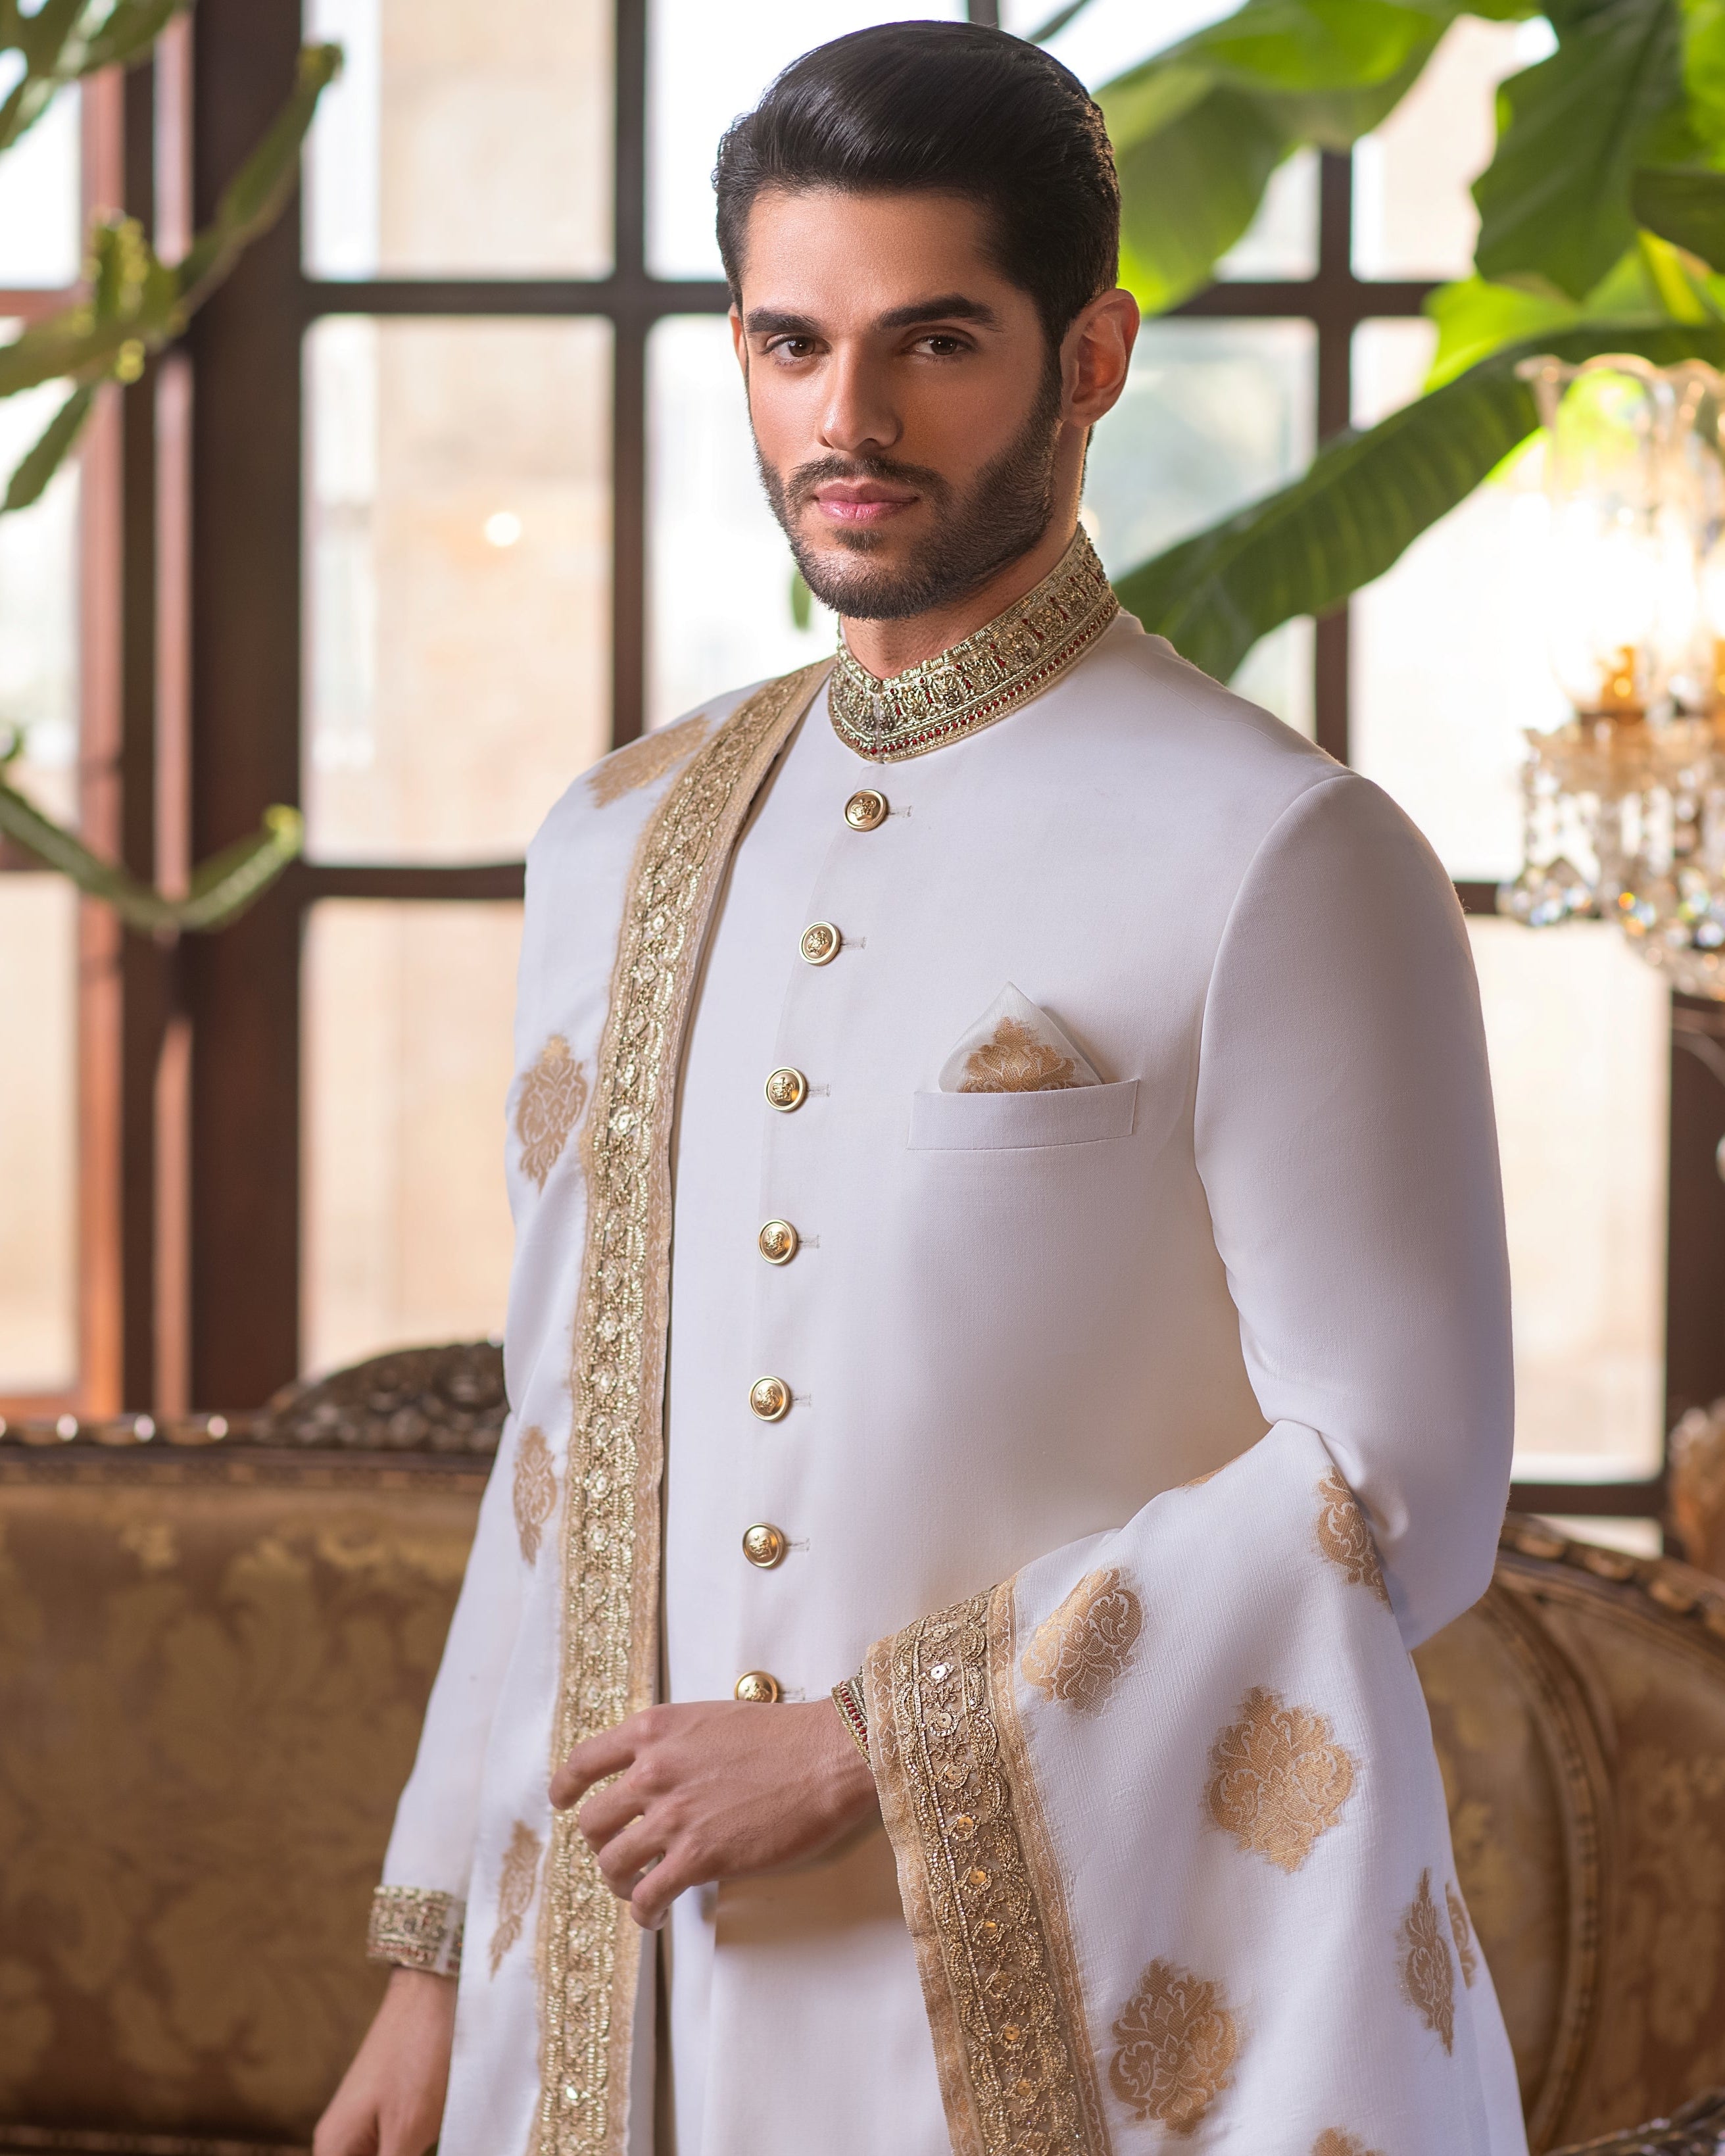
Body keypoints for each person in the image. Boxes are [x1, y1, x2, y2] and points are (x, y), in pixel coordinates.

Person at [316, 22, 1526, 2156]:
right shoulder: (622, 837)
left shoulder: (1281, 852)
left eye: (934, 343)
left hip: (1079, 1998)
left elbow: (1401, 1490)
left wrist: (874, 1744)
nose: (847, 422)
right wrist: (436, 1969)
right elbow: (558, 1459)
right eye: (791, 343)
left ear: (1092, 358)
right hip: (622, 2000)